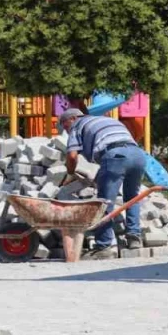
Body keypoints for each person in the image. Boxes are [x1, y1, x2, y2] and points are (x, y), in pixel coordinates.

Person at [60, 108, 147, 260]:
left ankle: (104, 246)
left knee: (104, 202)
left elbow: (72, 156)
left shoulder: (77, 126)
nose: (67, 131)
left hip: (115, 156)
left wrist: (70, 173)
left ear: (73, 118)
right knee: (132, 197)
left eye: (65, 126)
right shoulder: (107, 120)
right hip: (138, 154)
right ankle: (134, 237)